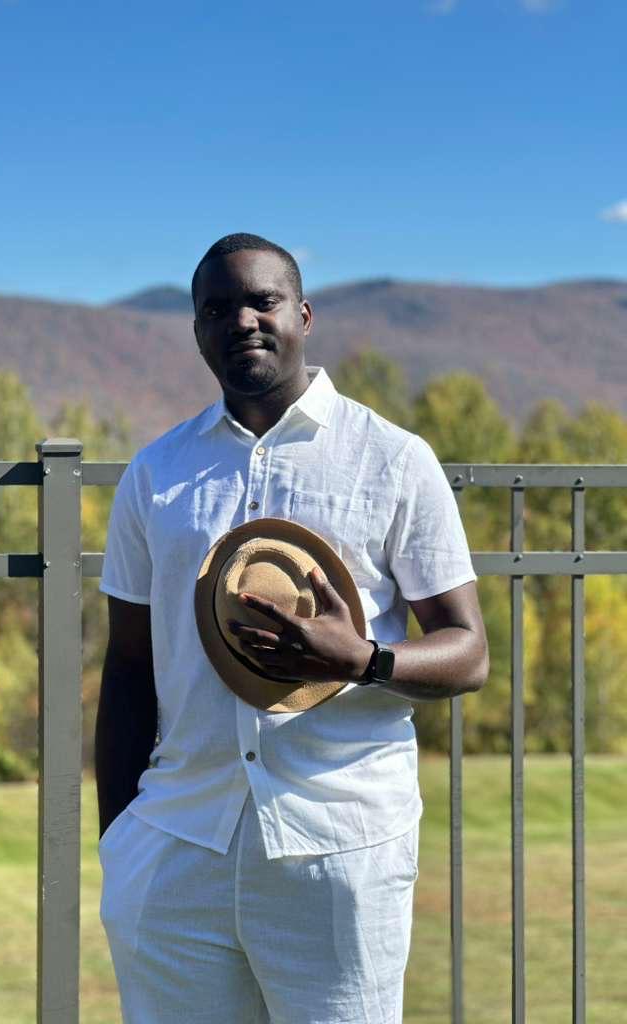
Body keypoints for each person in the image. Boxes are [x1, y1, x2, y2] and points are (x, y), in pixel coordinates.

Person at [96, 233, 489, 1024]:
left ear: (303, 316)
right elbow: (129, 668)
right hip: (177, 846)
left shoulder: (392, 459)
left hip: (339, 845)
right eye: (217, 309)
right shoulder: (156, 473)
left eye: (262, 301)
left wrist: (365, 659)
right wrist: (121, 844)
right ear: (198, 332)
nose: (241, 320)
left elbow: (469, 650)